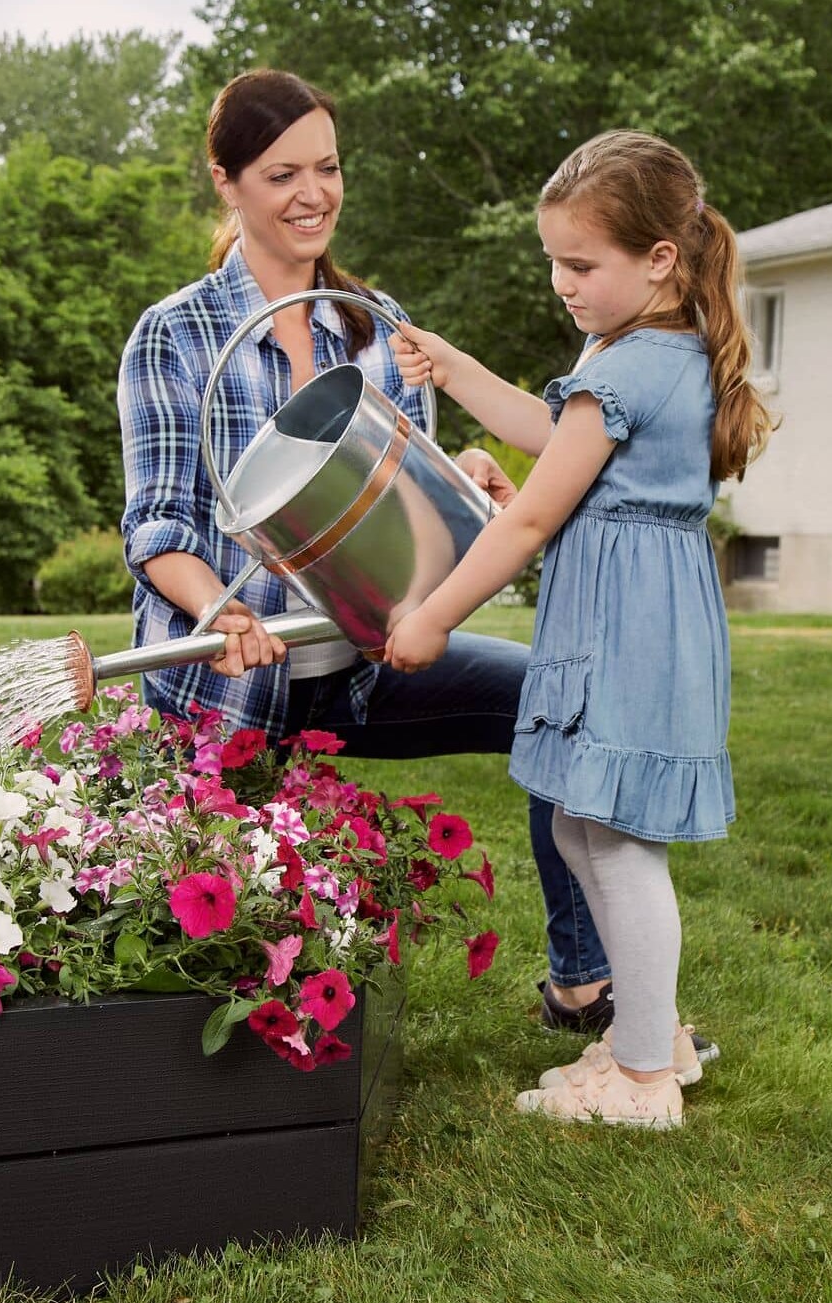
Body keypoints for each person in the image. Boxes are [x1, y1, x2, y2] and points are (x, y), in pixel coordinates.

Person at [117, 72, 718, 1060]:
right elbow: (158, 527)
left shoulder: (373, 323)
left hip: (360, 667)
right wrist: (215, 617)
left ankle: (586, 987)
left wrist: (465, 476)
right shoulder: (175, 335)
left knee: (551, 702)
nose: (314, 193)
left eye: (328, 167)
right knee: (228, 935)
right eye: (281, 174)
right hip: (236, 690)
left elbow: (409, 512)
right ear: (224, 183)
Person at [386, 130, 771, 1128]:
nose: (561, 282)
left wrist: (431, 614)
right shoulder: (641, 348)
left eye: (579, 264)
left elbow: (528, 516)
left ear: (657, 260)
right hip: (630, 606)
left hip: (626, 622)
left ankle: (644, 1075)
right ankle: (649, 1036)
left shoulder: (633, 365)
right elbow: (554, 444)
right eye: (552, 261)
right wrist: (459, 367)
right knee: (575, 822)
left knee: (615, 837)